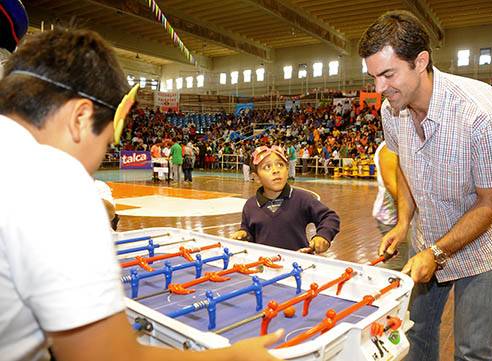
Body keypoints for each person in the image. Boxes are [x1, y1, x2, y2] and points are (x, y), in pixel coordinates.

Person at [0, 28, 283, 361]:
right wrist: (233, 358)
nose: (89, 169)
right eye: (105, 143)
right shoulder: (54, 179)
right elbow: (107, 357)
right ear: (80, 118)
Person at [359, 10, 492, 361]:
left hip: (484, 249)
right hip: (427, 240)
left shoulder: (481, 113)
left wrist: (437, 253)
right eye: (373, 77)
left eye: (388, 74)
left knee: (472, 351)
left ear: (420, 61)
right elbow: (402, 164)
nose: (379, 89)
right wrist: (403, 223)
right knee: (414, 339)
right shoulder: (392, 110)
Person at [231, 145, 340, 253]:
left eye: (280, 165)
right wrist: (243, 232)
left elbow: (329, 217)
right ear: (256, 177)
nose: (275, 170)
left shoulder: (302, 199)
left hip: (297, 264)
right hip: (264, 265)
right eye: (267, 167)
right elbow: (248, 230)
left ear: (287, 170)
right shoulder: (250, 205)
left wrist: (323, 235)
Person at [372, 141, 408, 270]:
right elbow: (392, 186)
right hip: (393, 219)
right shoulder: (389, 148)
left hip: (407, 218)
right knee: (398, 266)